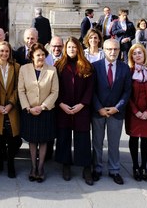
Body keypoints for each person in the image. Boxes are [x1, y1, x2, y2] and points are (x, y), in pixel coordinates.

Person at [91, 38, 132, 185]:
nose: (112, 52)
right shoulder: (95, 67)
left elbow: (127, 91)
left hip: (116, 112)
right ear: (104, 50)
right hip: (98, 111)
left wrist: (117, 107)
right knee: (97, 141)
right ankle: (97, 168)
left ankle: (114, 170)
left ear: (119, 51)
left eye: (115, 49)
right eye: (109, 49)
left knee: (114, 143)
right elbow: (92, 90)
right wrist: (99, 108)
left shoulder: (125, 68)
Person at [54, 37, 95, 185]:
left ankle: (86, 167)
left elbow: (90, 88)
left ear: (79, 48)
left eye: (74, 47)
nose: (72, 50)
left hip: (81, 108)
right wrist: (60, 104)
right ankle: (66, 164)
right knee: (64, 136)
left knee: (83, 138)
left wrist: (82, 104)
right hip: (63, 107)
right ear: (65, 49)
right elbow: (54, 87)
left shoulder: (87, 66)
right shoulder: (58, 65)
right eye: (69, 47)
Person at [17, 43, 59, 182]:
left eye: (42, 55)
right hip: (29, 110)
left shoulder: (52, 70)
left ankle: (41, 167)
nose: (40, 57)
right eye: (38, 55)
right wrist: (28, 108)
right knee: (32, 140)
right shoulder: (24, 69)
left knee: (43, 140)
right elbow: (21, 90)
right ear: (32, 56)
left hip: (46, 111)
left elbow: (55, 92)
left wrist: (42, 107)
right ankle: (33, 167)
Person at [125, 43, 147, 182]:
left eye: (140, 53)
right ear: (131, 57)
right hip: (133, 112)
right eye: (134, 53)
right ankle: (134, 166)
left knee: (145, 139)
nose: (137, 55)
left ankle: (144, 166)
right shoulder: (129, 72)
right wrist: (135, 111)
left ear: (144, 54)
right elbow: (126, 93)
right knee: (133, 138)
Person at [0, 41, 21, 178]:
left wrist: (10, 104)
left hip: (11, 108)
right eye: (1, 51)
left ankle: (11, 163)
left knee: (12, 138)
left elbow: (18, 87)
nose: (4, 54)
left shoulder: (16, 67)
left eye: (7, 51)